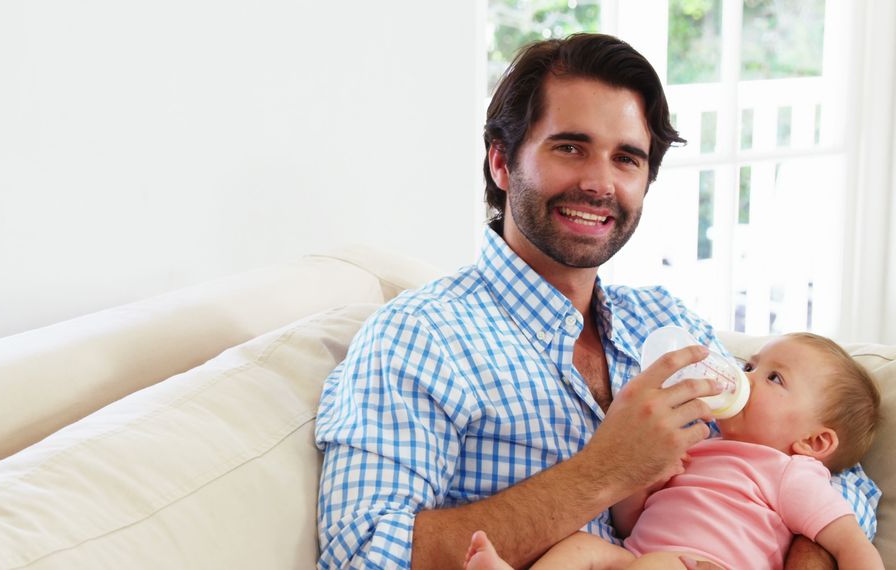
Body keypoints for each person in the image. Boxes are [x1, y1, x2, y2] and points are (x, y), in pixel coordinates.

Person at [314, 33, 879, 569]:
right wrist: (604, 471)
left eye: (626, 159)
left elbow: (830, 473)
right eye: (570, 147)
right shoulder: (419, 337)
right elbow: (365, 552)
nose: (600, 183)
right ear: (501, 163)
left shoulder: (666, 320)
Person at [463, 332, 883, 569]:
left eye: (774, 379)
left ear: (815, 442)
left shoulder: (788, 472)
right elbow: (629, 523)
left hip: (701, 565)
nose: (746, 378)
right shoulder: (697, 441)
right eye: (751, 366)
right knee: (581, 547)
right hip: (638, 558)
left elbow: (851, 545)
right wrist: (645, 481)